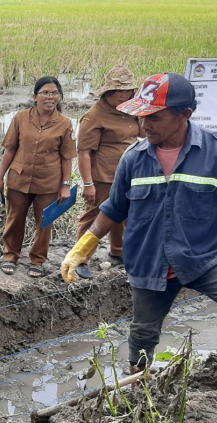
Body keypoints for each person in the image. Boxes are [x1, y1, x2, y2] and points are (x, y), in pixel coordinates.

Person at [61, 73, 217, 373]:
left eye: (155, 118)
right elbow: (114, 207)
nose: (144, 125)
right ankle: (139, 388)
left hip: (205, 258)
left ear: (184, 115)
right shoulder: (133, 158)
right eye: (142, 116)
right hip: (149, 263)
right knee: (142, 338)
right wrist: (84, 246)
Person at [0, 76, 77, 278]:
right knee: (14, 219)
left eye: (55, 93)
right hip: (19, 179)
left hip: (48, 182)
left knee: (44, 222)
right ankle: (10, 255)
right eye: (45, 93)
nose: (50, 97)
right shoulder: (21, 118)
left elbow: (67, 157)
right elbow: (10, 150)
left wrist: (66, 185)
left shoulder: (64, 124)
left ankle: (37, 260)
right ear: (35, 96)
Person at [74, 66, 141, 279]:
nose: (125, 94)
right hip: (102, 176)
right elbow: (83, 152)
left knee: (125, 214)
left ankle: (118, 251)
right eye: (120, 91)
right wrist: (88, 184)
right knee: (93, 215)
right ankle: (80, 259)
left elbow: (142, 133)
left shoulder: (131, 110)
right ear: (108, 92)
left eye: (129, 90)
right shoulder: (94, 115)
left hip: (129, 173)